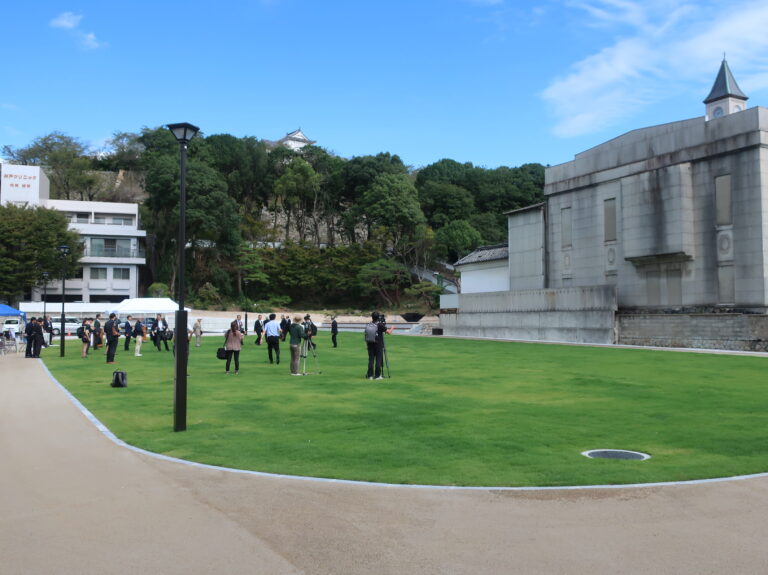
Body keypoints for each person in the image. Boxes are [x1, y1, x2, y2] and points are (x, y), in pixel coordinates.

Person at [365, 311, 393, 380]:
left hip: (370, 344)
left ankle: (370, 375)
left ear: (372, 317)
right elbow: (389, 332)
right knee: (378, 360)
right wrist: (392, 327)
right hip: (378, 345)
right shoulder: (380, 325)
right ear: (378, 317)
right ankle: (377, 375)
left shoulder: (369, 324)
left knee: (371, 360)